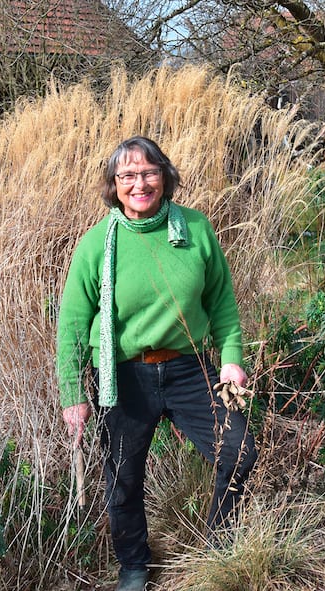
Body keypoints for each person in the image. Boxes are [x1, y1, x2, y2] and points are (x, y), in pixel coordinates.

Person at [55, 136, 258, 591]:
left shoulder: (195, 229)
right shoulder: (96, 245)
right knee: (123, 479)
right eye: (127, 175)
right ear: (114, 185)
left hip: (188, 367)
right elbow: (71, 324)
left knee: (239, 452)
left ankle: (218, 548)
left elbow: (221, 302)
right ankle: (134, 567)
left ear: (164, 176)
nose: (139, 184)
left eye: (148, 172)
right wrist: (73, 394)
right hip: (124, 375)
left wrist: (231, 360)